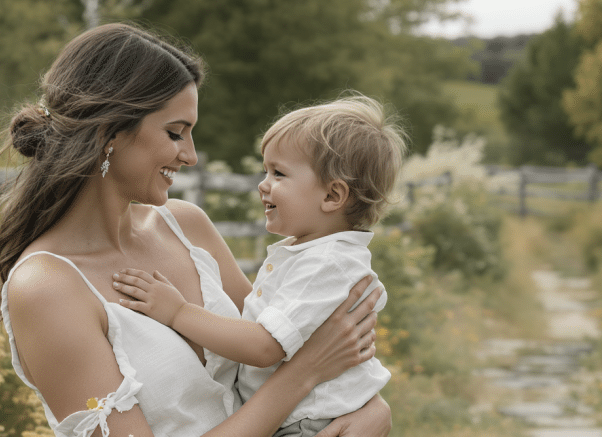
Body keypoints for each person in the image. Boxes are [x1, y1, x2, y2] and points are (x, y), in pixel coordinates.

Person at [0, 23, 391, 437]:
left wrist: (372, 408)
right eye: (175, 132)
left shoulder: (187, 226)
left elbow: (280, 338)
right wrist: (304, 375)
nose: (191, 155)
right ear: (109, 132)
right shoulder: (46, 287)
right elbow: (302, 364)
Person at [115, 95, 407, 437]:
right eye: (265, 170)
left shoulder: (326, 264)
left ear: (332, 196)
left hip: (309, 425)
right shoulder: (310, 254)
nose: (263, 184)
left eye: (279, 173)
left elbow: (264, 347)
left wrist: (177, 312)